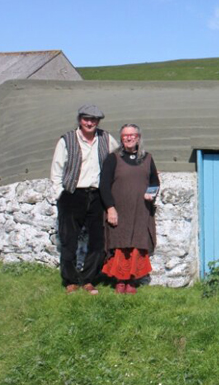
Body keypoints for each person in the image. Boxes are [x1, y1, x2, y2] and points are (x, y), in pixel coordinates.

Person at [50, 104, 119, 294]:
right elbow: (57, 169)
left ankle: (89, 279)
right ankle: (70, 280)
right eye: (86, 119)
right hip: (73, 194)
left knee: (98, 242)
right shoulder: (67, 140)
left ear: (98, 122)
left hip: (96, 196)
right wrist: (60, 193)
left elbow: (119, 155)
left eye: (94, 120)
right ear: (80, 120)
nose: (90, 123)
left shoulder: (105, 138)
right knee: (68, 240)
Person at [99, 123, 160, 294]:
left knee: (137, 245)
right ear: (121, 138)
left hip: (141, 211)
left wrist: (150, 193)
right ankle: (120, 280)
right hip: (119, 211)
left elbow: (154, 182)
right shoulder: (113, 158)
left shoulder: (147, 158)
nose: (129, 137)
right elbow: (104, 185)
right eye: (125, 135)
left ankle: (132, 281)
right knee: (120, 245)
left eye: (132, 135)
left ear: (138, 137)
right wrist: (110, 208)